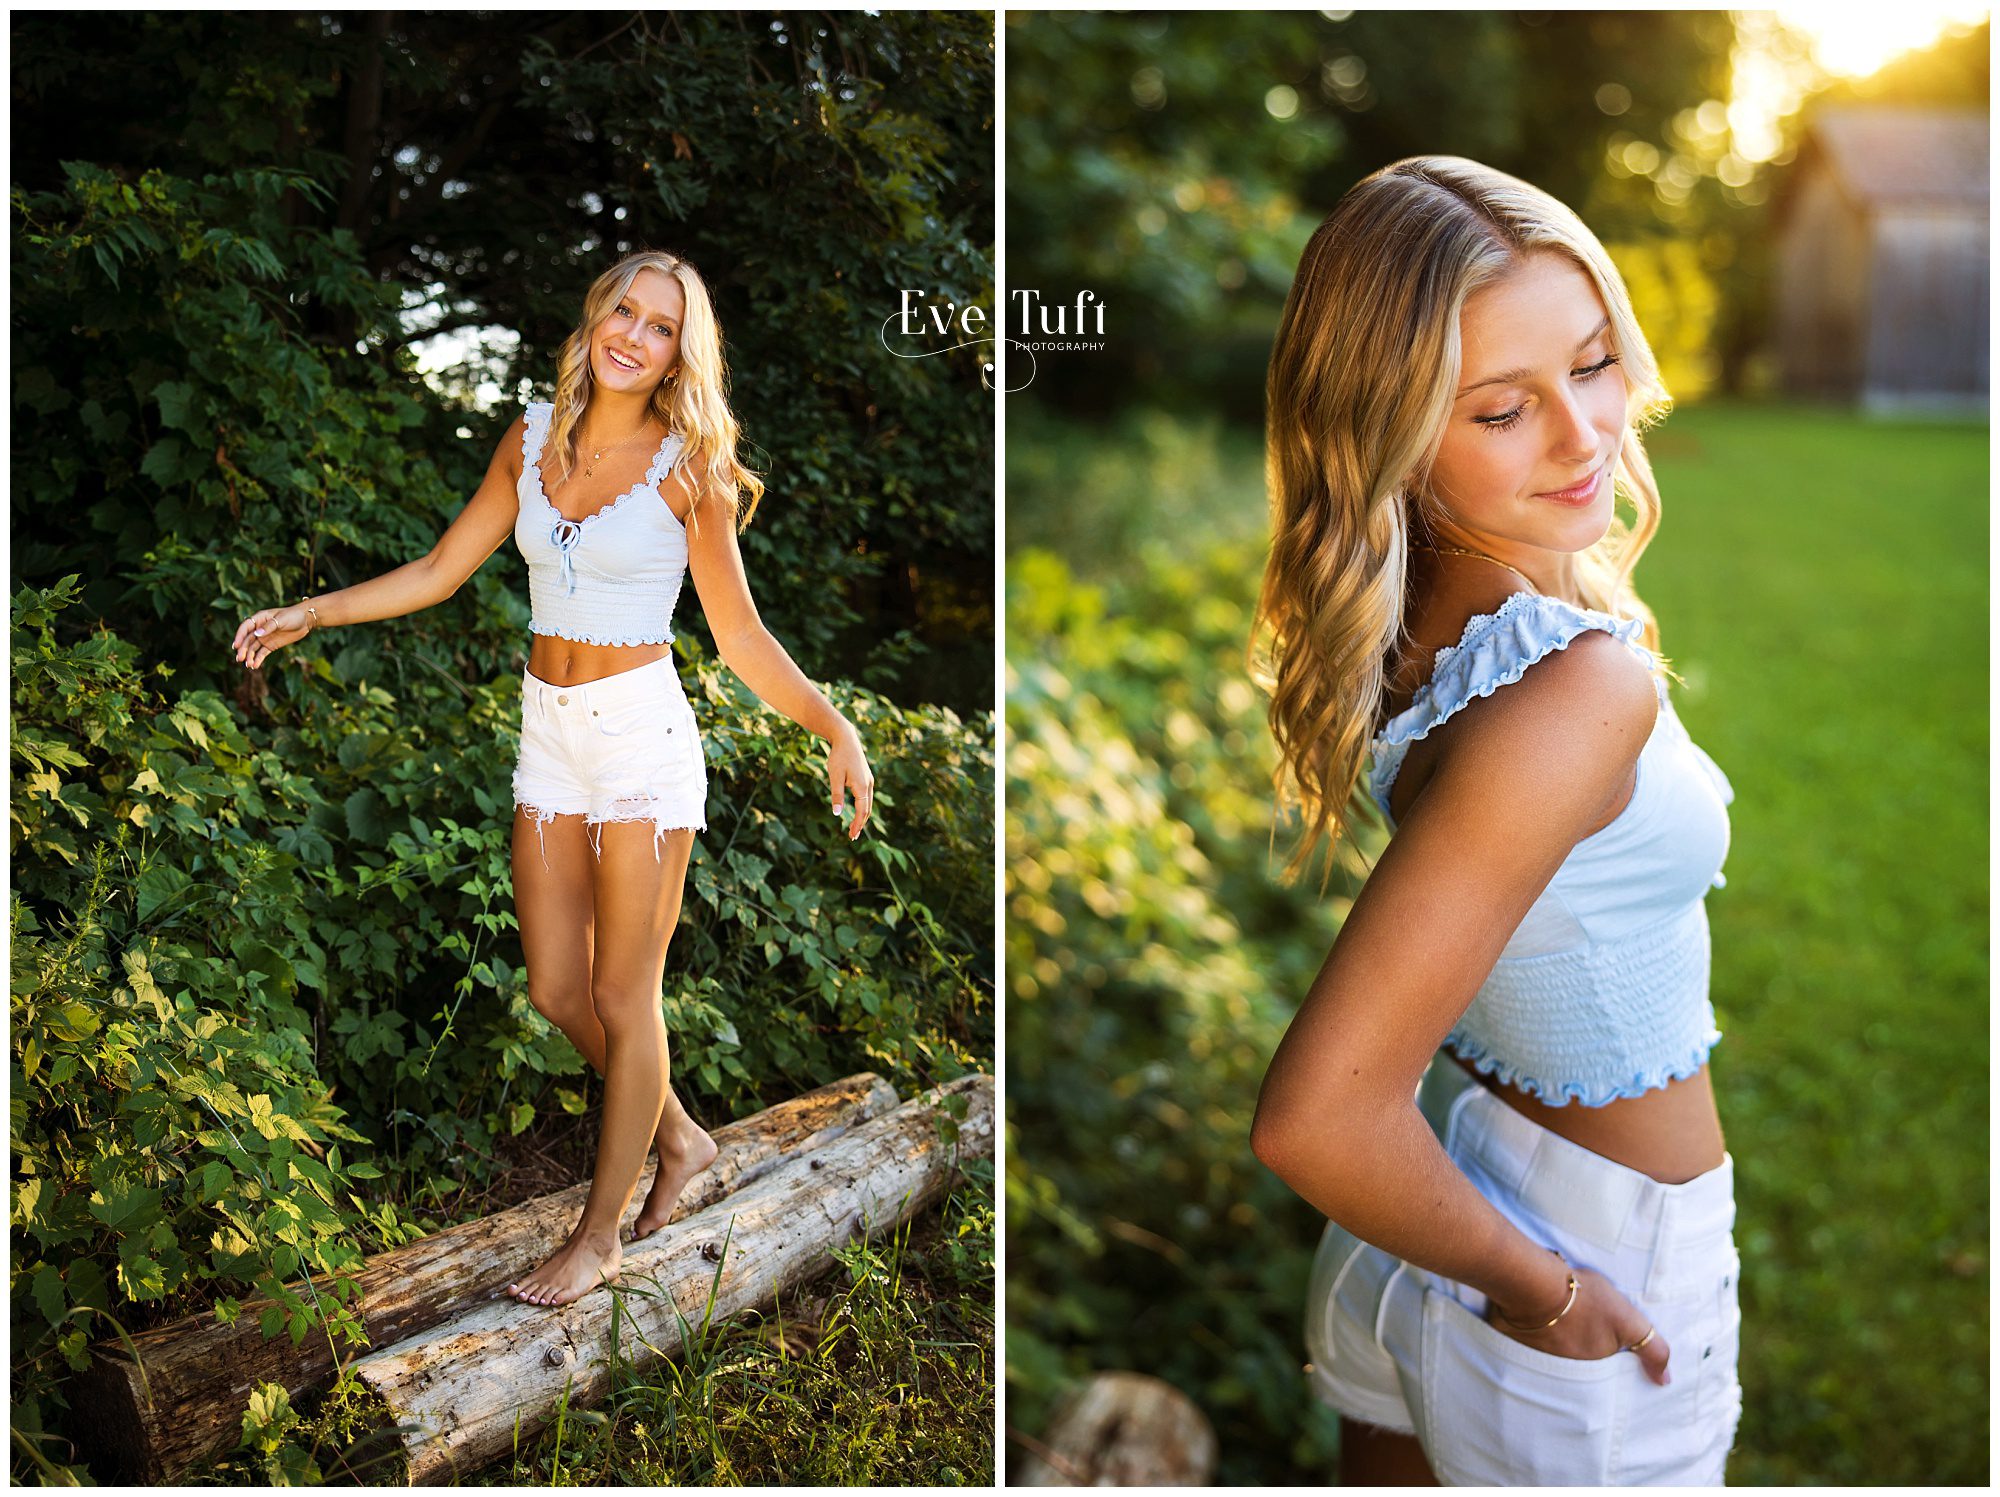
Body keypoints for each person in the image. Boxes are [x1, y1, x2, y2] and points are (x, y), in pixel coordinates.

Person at [232, 249, 875, 1308]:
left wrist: (830, 723)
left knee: (625, 995)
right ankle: (677, 1137)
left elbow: (739, 635)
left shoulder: (688, 464)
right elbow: (443, 569)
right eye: (622, 309)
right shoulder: (531, 440)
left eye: (660, 325)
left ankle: (599, 1240)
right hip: (550, 735)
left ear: (679, 354)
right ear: (593, 319)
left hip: (639, 744)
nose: (633, 333)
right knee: (554, 989)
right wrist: (314, 611)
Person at [1247, 157, 1743, 1485]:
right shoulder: (1572, 689)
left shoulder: (1423, 632)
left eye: (1590, 365)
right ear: (1393, 433)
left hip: (1438, 1200)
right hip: (1579, 1255)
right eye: (1504, 408)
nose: (1585, 435)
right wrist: (1552, 1291)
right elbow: (1314, 1118)